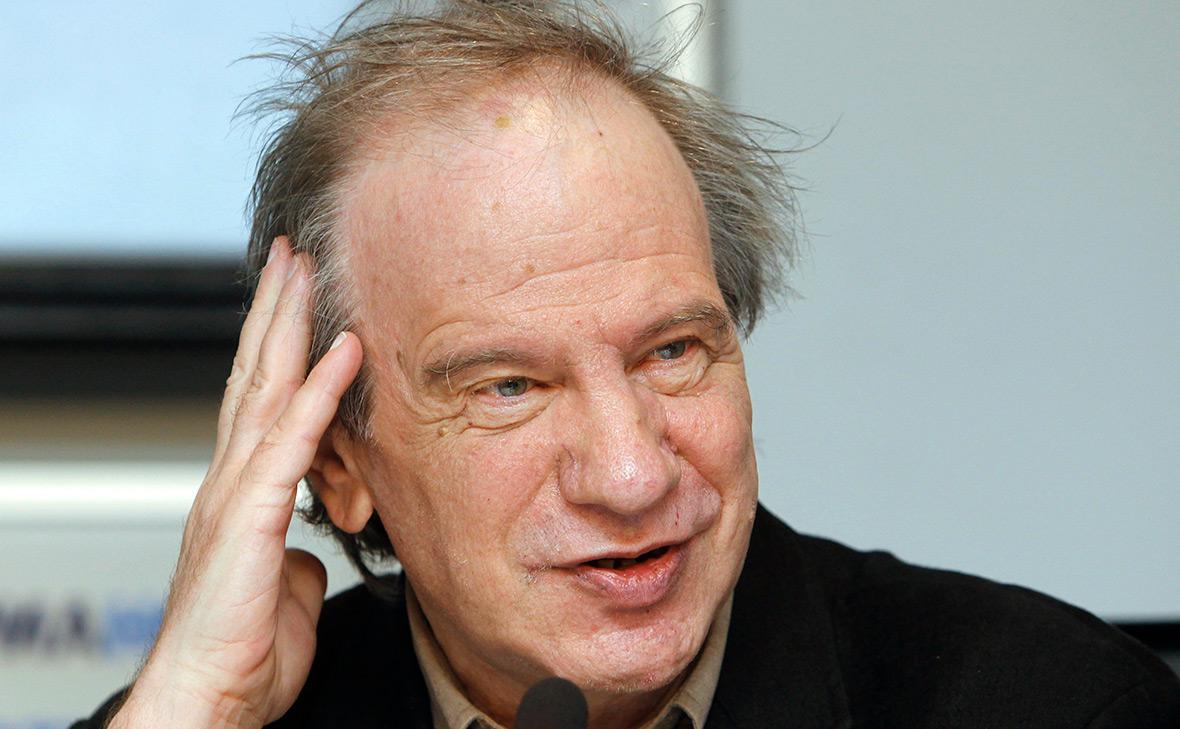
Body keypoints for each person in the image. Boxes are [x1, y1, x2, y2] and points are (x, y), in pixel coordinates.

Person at [74, 2, 1180, 728]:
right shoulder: (223, 716)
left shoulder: (1051, 705)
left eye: (672, 352)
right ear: (338, 465)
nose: (632, 472)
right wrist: (190, 705)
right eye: (510, 387)